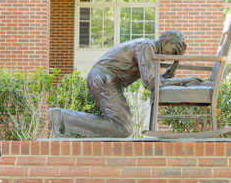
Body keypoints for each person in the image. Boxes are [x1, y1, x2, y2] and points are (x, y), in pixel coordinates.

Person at [49, 30, 202, 138]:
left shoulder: (150, 49)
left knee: (123, 128)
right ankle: (62, 117)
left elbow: (160, 79)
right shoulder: (147, 47)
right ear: (167, 42)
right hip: (104, 78)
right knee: (123, 128)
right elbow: (152, 83)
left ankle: (63, 118)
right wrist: (184, 80)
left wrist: (177, 62)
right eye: (174, 51)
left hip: (107, 79)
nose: (172, 56)